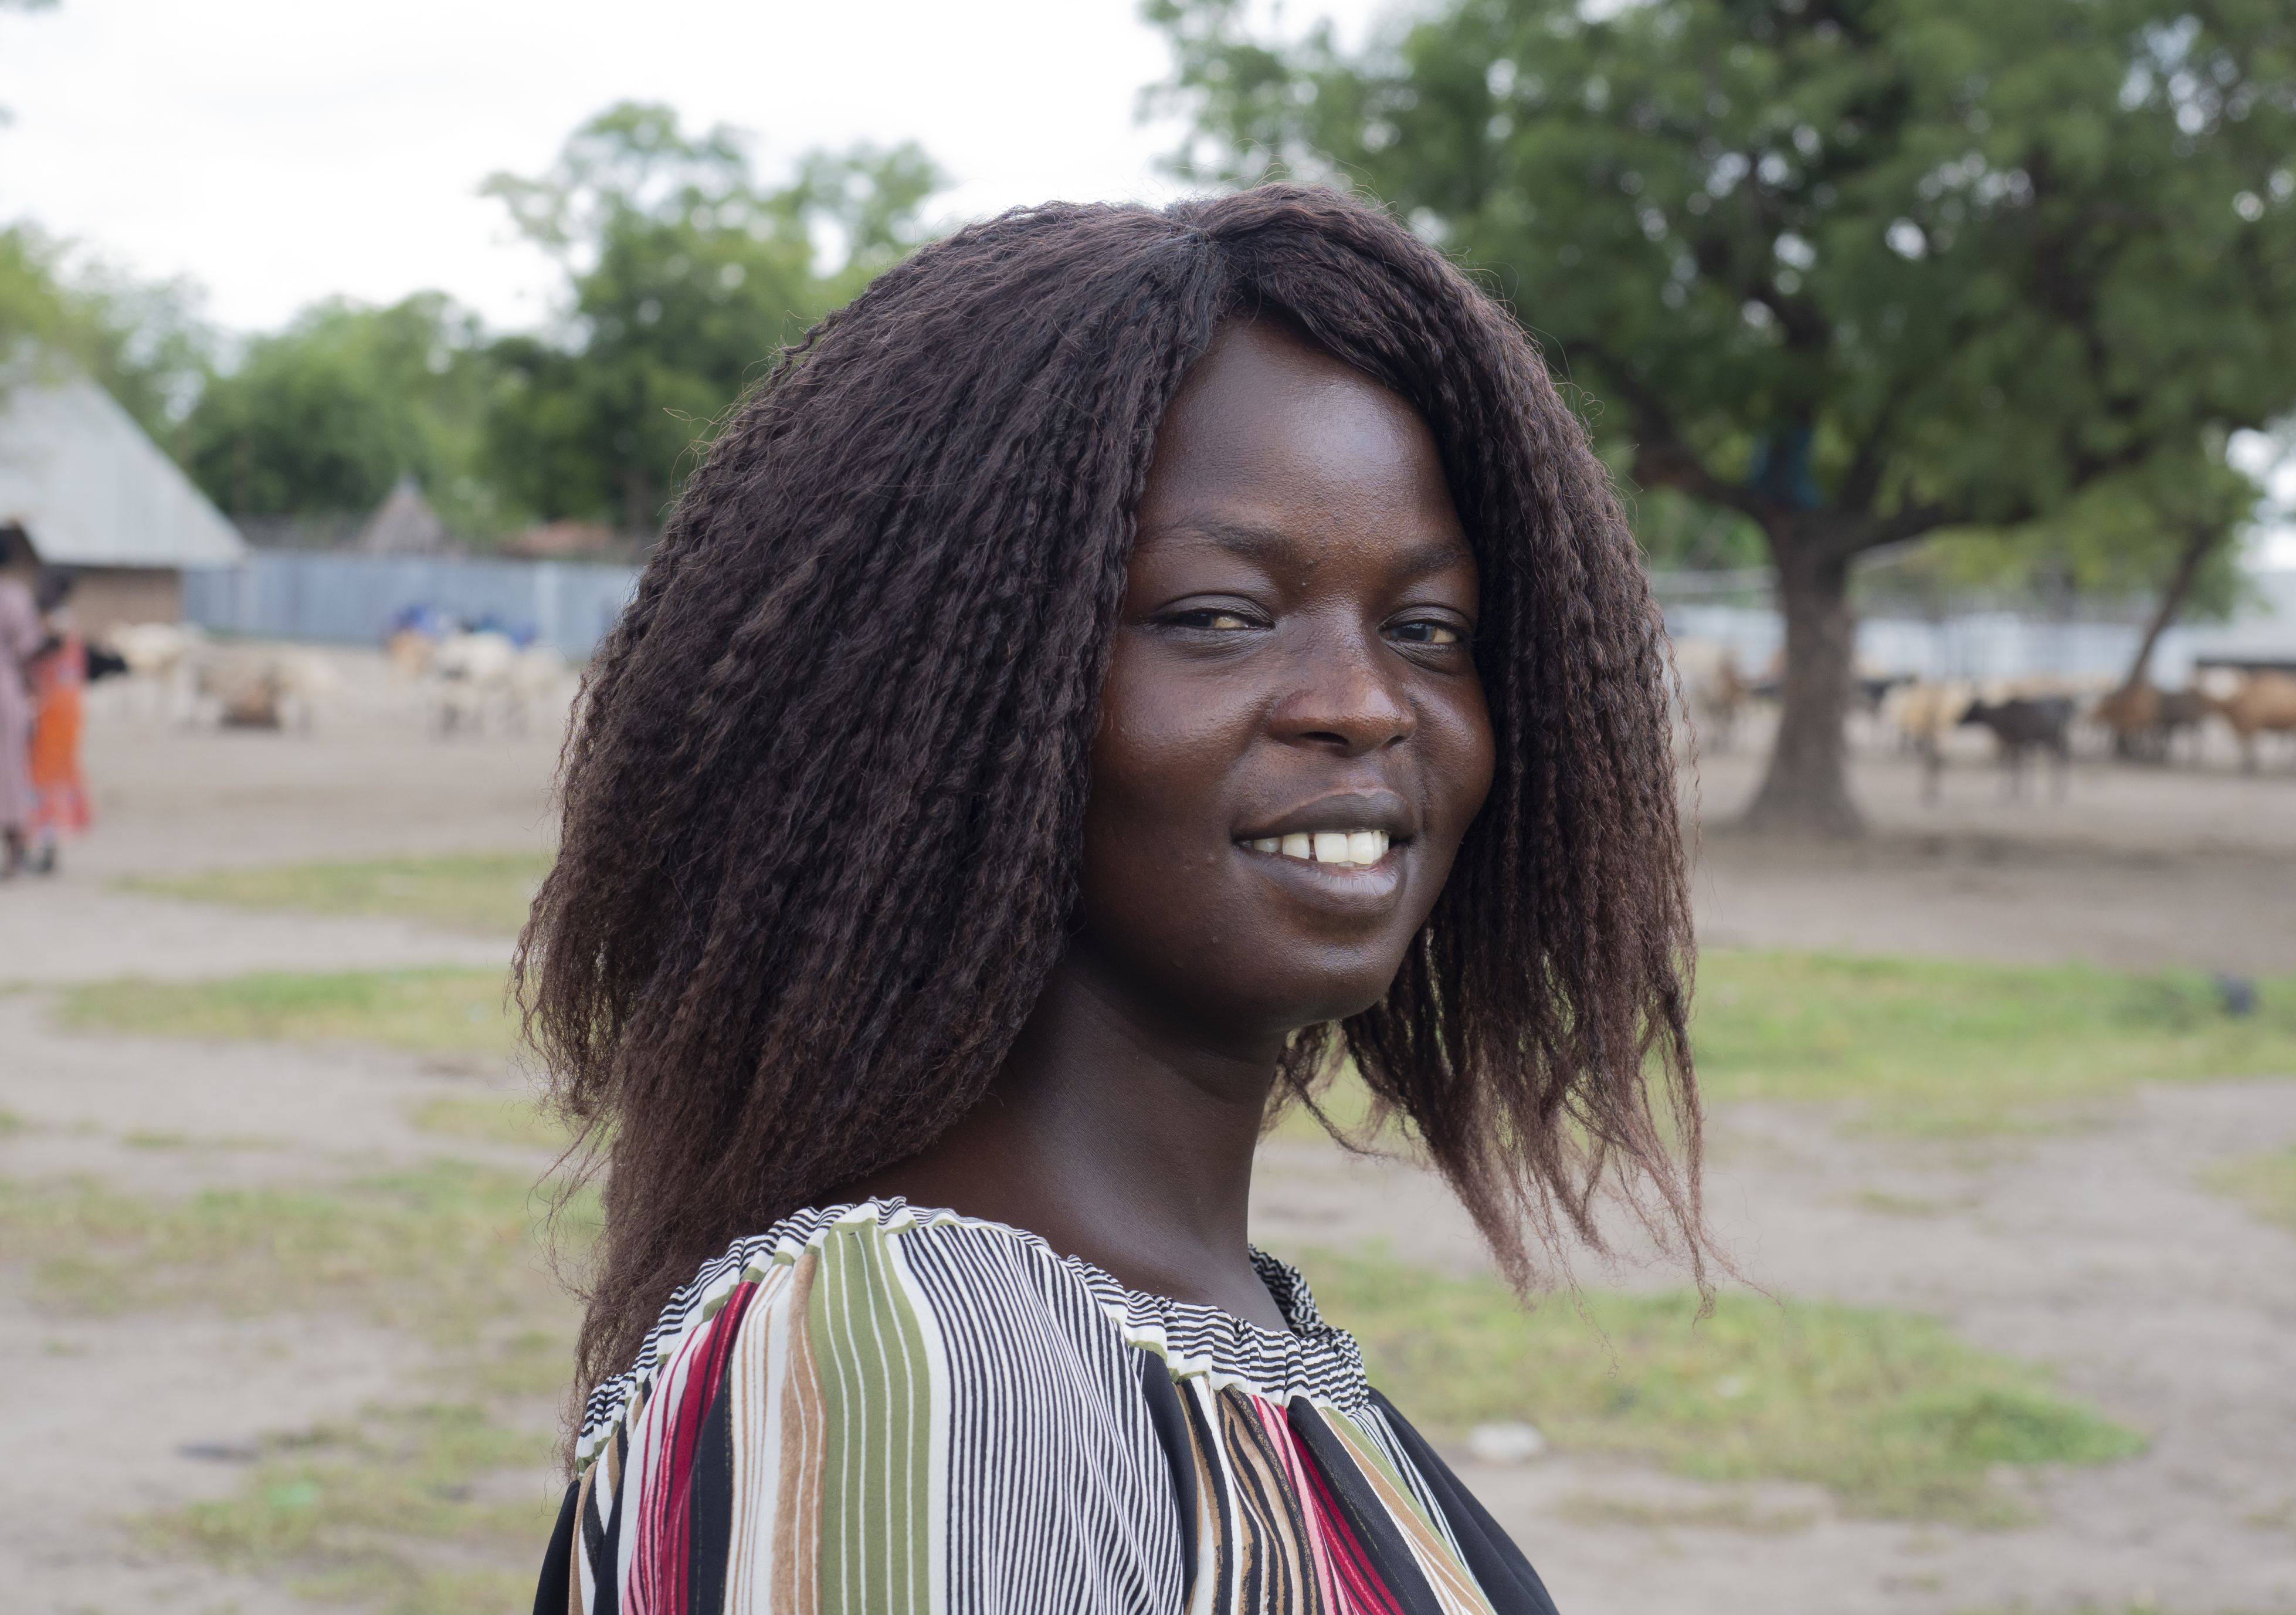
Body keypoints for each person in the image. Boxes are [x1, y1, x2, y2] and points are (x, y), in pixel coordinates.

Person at [524, 185, 1702, 1614]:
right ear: (938, 688)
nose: (1364, 704)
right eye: (1218, 615)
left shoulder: (1196, 1323)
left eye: (1428, 630)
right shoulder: (912, 1354)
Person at [25, 569, 91, 873]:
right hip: (57, 708)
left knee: (44, 780)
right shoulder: (58, 620)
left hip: (55, 710)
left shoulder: (57, 622)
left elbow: (41, 650)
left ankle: (44, 848)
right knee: (46, 779)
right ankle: (42, 847)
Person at [0, 533, 45, 879]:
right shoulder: (15, 597)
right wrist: (35, 695)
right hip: (6, 692)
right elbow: (29, 652)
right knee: (11, 772)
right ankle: (16, 853)